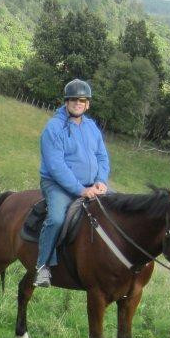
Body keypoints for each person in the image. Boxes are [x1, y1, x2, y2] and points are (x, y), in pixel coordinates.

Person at [34, 78, 109, 287]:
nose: (78, 103)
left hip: (91, 185)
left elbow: (102, 156)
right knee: (57, 218)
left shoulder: (92, 127)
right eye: (74, 99)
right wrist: (80, 189)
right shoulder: (54, 128)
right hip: (57, 184)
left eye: (82, 100)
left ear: (88, 104)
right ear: (66, 101)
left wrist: (100, 181)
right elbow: (56, 166)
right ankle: (42, 267)